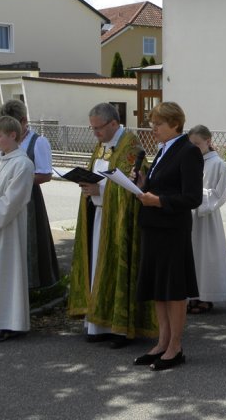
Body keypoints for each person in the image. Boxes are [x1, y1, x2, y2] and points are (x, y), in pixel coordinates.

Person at [68, 103, 157, 348]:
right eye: (92, 128)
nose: (95, 133)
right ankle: (97, 323)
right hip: (97, 217)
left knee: (115, 270)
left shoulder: (130, 146)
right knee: (97, 268)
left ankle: (118, 329)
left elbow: (132, 187)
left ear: (114, 124)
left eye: (98, 128)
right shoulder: (102, 144)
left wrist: (100, 190)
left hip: (119, 222)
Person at [132, 102, 203, 371]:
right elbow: (160, 186)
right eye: (152, 123)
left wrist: (159, 201)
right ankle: (162, 342)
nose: (153, 129)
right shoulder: (162, 150)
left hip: (172, 230)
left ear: (175, 124)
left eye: (158, 123)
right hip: (153, 227)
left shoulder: (188, 151)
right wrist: (141, 185)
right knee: (158, 288)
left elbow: (192, 197)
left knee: (173, 290)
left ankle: (175, 346)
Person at [0, 116, 35, 343]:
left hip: (7, 226)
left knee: (5, 273)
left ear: (13, 135)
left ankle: (8, 323)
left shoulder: (23, 164)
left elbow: (13, 200)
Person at [0, 100, 59, 289]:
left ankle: (32, 285)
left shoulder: (37, 142)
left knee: (29, 239)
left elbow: (45, 174)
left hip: (28, 199)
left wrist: (18, 179)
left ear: (24, 121)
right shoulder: (1, 140)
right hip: (3, 197)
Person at [187, 125, 226, 314]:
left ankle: (207, 297)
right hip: (189, 216)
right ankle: (192, 295)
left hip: (207, 217)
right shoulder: (190, 161)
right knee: (192, 256)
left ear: (208, 141)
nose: (195, 147)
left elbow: (220, 193)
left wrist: (195, 197)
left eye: (198, 143)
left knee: (206, 256)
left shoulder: (217, 163)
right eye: (192, 144)